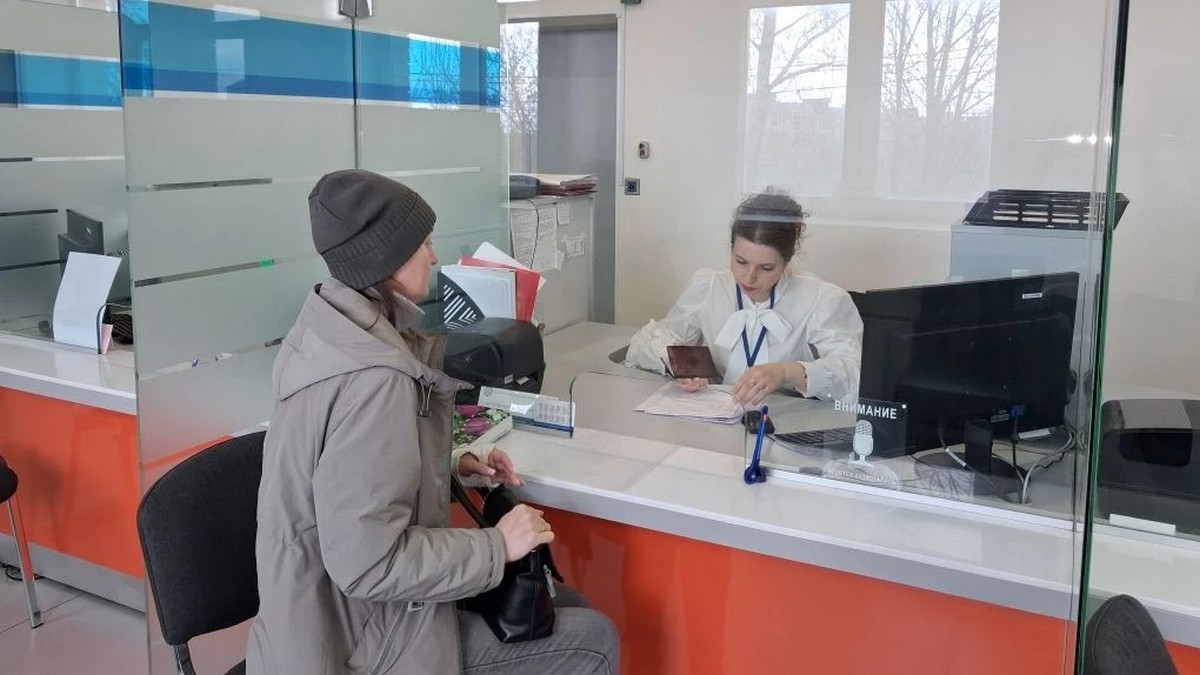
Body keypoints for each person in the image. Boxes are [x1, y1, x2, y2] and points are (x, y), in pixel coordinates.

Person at [246, 170, 619, 675]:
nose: (435, 255)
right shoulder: (373, 380)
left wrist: (449, 464)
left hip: (328, 621)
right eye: (423, 243)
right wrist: (498, 546)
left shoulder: (330, 333)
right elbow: (369, 563)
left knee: (563, 604)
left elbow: (348, 480)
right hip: (354, 647)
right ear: (387, 259)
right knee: (593, 639)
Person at [624, 189, 862, 406]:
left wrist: (787, 372)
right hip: (713, 415)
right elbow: (654, 339)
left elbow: (853, 370)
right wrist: (687, 366)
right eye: (741, 261)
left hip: (786, 420)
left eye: (766, 268)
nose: (749, 277)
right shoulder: (710, 287)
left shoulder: (820, 298)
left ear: (787, 260)